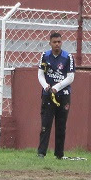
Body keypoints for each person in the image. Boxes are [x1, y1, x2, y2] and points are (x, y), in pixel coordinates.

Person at [37, 31, 75, 159]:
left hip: (63, 95)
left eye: (59, 42)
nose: (57, 44)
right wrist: (46, 86)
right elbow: (40, 74)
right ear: (50, 43)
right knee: (45, 125)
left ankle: (59, 154)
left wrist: (57, 87)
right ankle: (41, 153)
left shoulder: (68, 57)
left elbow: (70, 77)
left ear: (61, 42)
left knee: (61, 126)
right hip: (48, 95)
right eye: (54, 42)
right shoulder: (45, 56)